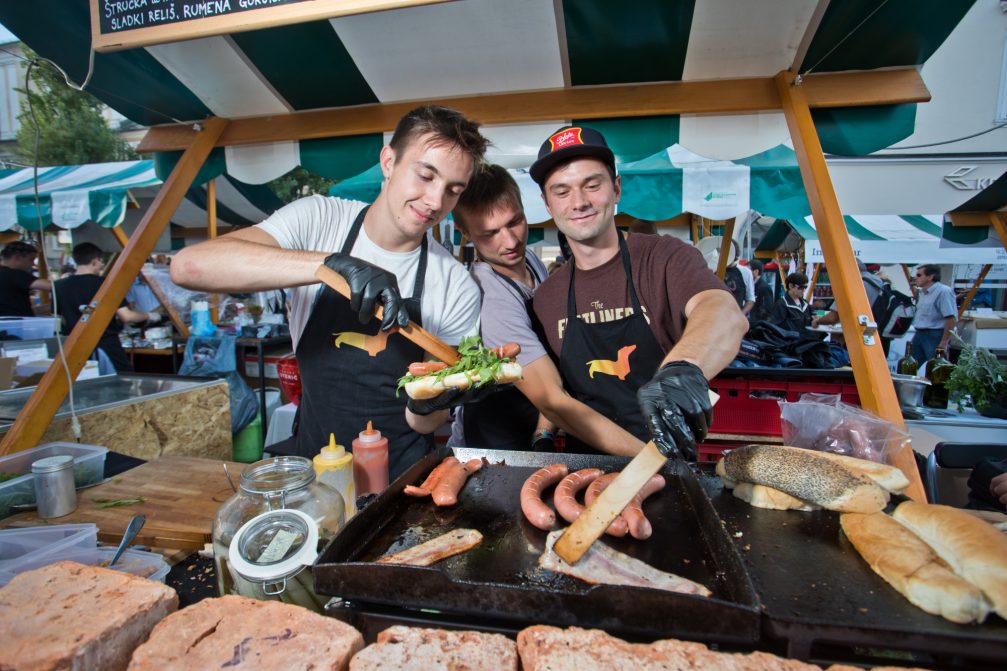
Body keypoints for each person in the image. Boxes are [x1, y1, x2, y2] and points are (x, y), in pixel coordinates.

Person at [172, 105, 488, 480]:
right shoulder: (320, 219)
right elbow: (189, 266)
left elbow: (424, 425)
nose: (436, 202)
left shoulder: (455, 285)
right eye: (425, 176)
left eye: (453, 190)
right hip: (312, 469)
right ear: (388, 161)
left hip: (400, 479)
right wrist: (329, 265)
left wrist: (428, 405)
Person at [529, 126, 748, 460]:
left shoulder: (665, 258)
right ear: (547, 204)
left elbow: (720, 309)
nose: (579, 202)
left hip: (669, 458)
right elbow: (555, 387)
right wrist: (542, 435)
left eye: (593, 185)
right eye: (562, 191)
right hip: (583, 467)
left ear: (616, 189)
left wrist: (683, 369)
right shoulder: (547, 297)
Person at [449, 164, 644, 456]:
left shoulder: (528, 259)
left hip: (534, 428)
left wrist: (543, 433)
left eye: (515, 222)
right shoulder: (490, 298)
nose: (511, 241)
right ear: (465, 231)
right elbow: (552, 399)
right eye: (490, 233)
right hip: (494, 443)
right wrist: (651, 460)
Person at [54, 243, 162, 373]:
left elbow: (59, 319)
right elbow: (126, 316)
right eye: (101, 261)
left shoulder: (58, 286)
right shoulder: (106, 284)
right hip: (106, 345)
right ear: (95, 261)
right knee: (122, 382)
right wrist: (150, 315)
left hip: (74, 347)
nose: (101, 265)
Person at [812, 259, 892, 354]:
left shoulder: (853, 285)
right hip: (880, 338)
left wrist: (817, 321)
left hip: (859, 341)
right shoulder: (879, 282)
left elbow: (832, 318)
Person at [909, 263, 956, 366]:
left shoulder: (943, 291)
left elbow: (951, 318)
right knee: (910, 365)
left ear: (930, 277)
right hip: (919, 333)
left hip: (935, 335)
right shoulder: (922, 292)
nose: (915, 278)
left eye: (919, 275)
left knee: (937, 368)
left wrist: (944, 342)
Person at [0, 240, 51, 317]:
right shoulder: (14, 274)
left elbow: (19, 310)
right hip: (16, 326)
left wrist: (49, 307)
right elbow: (52, 286)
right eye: (31, 259)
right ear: (17, 257)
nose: (33, 264)